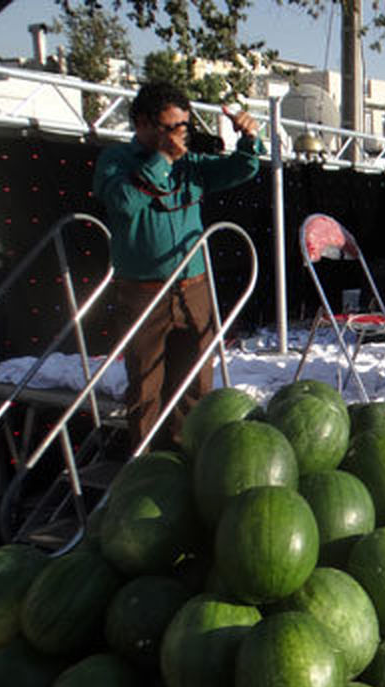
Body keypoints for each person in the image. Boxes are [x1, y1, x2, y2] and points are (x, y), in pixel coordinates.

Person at [93, 82, 262, 451]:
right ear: (143, 123)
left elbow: (241, 170)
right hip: (142, 293)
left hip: (193, 288)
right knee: (145, 389)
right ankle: (148, 469)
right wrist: (163, 160)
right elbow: (122, 203)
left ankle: (191, 464)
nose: (180, 135)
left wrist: (249, 140)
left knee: (196, 386)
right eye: (172, 127)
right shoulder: (116, 161)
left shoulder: (192, 166)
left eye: (184, 126)